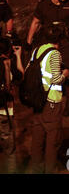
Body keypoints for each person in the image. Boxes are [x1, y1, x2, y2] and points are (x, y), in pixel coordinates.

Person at [30, 25, 69, 174]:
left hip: (37, 100)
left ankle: (36, 169)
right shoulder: (54, 54)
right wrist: (65, 73)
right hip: (51, 101)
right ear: (59, 40)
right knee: (53, 141)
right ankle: (50, 170)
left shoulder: (36, 51)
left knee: (37, 139)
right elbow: (56, 78)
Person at [0, 38, 24, 173]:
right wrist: (19, 57)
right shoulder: (8, 63)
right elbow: (21, 76)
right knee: (10, 151)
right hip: (5, 111)